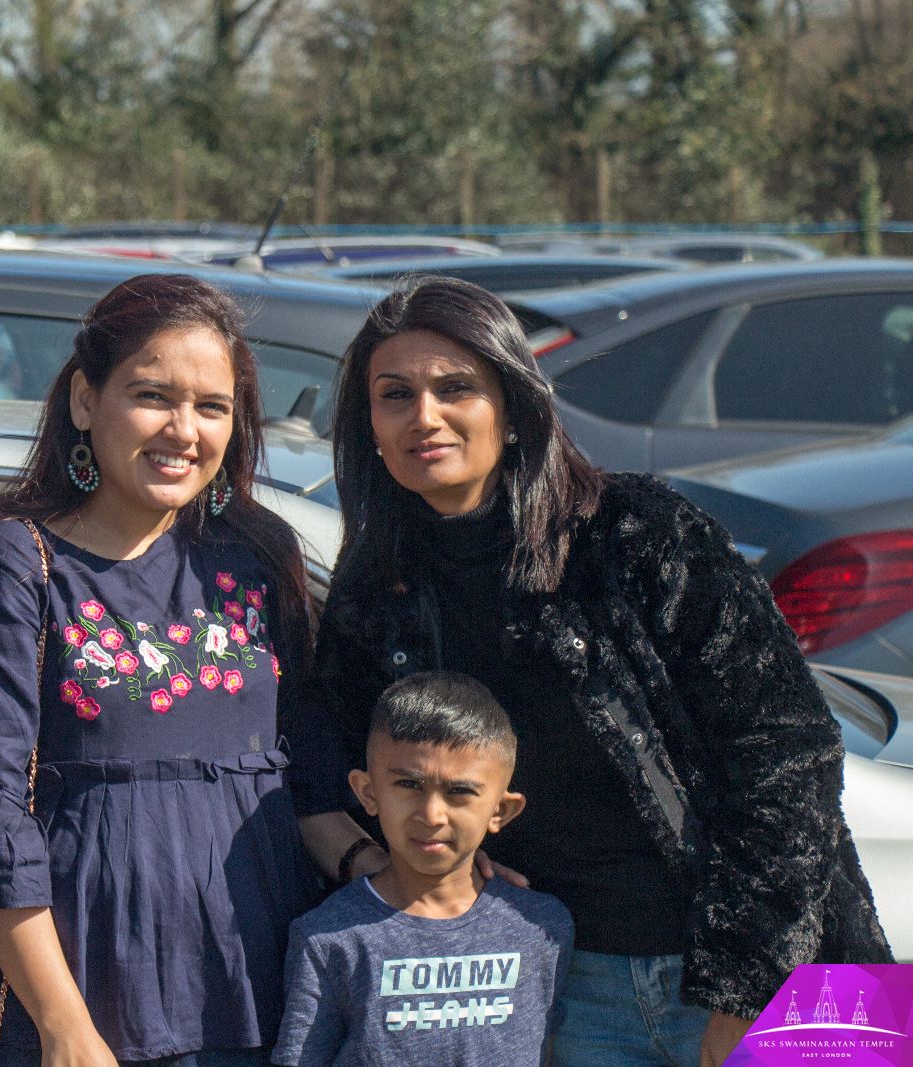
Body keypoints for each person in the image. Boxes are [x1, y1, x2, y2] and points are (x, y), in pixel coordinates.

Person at [298, 276, 892, 1067]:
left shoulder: (641, 532)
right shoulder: (378, 586)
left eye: (456, 388)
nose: (425, 416)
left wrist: (747, 988)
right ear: (368, 423)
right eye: (395, 394)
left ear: (512, 405)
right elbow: (339, 763)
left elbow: (789, 752)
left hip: (784, 971)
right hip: (565, 988)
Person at [0, 274, 323, 1067]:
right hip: (85, 988)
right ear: (86, 400)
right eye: (152, 395)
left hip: (255, 981)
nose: (183, 429)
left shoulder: (261, 554)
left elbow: (313, 763)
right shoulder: (20, 559)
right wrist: (63, 1024)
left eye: (212, 406)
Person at [272, 670, 572, 1067]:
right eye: (409, 786)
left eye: (459, 792)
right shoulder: (327, 939)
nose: (432, 815)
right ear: (368, 792)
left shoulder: (542, 928)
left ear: (501, 810)